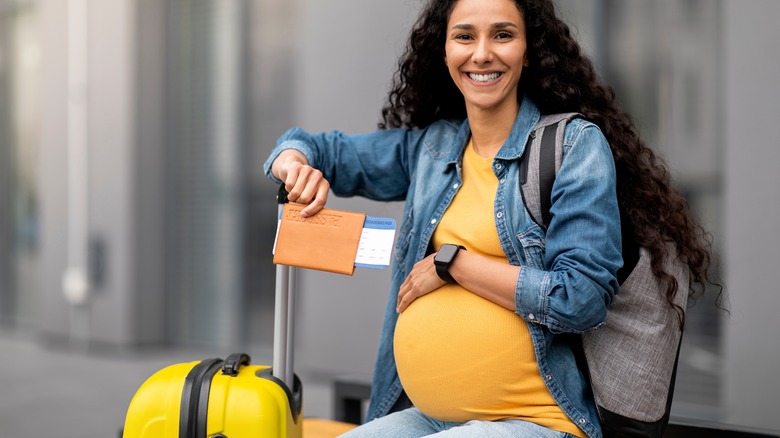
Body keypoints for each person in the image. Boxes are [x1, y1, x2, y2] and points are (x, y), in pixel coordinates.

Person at [264, 0, 718, 436]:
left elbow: (580, 298)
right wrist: (294, 166)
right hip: (428, 415)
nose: (482, 53)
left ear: (528, 50)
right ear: (444, 51)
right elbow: (313, 147)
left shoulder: (572, 147)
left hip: (537, 421)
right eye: (465, 36)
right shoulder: (433, 149)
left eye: (503, 34)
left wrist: (453, 264)